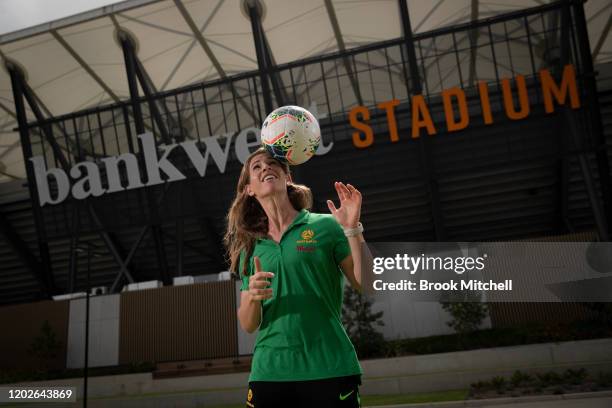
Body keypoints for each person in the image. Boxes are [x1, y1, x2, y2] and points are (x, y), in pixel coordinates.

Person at [224, 147, 369, 408]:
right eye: (256, 167)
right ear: (249, 189)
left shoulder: (325, 226)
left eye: (272, 163)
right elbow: (248, 323)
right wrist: (253, 298)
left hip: (329, 366)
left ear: (287, 177)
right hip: (270, 372)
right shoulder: (250, 247)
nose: (265, 168)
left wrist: (352, 229)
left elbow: (365, 283)